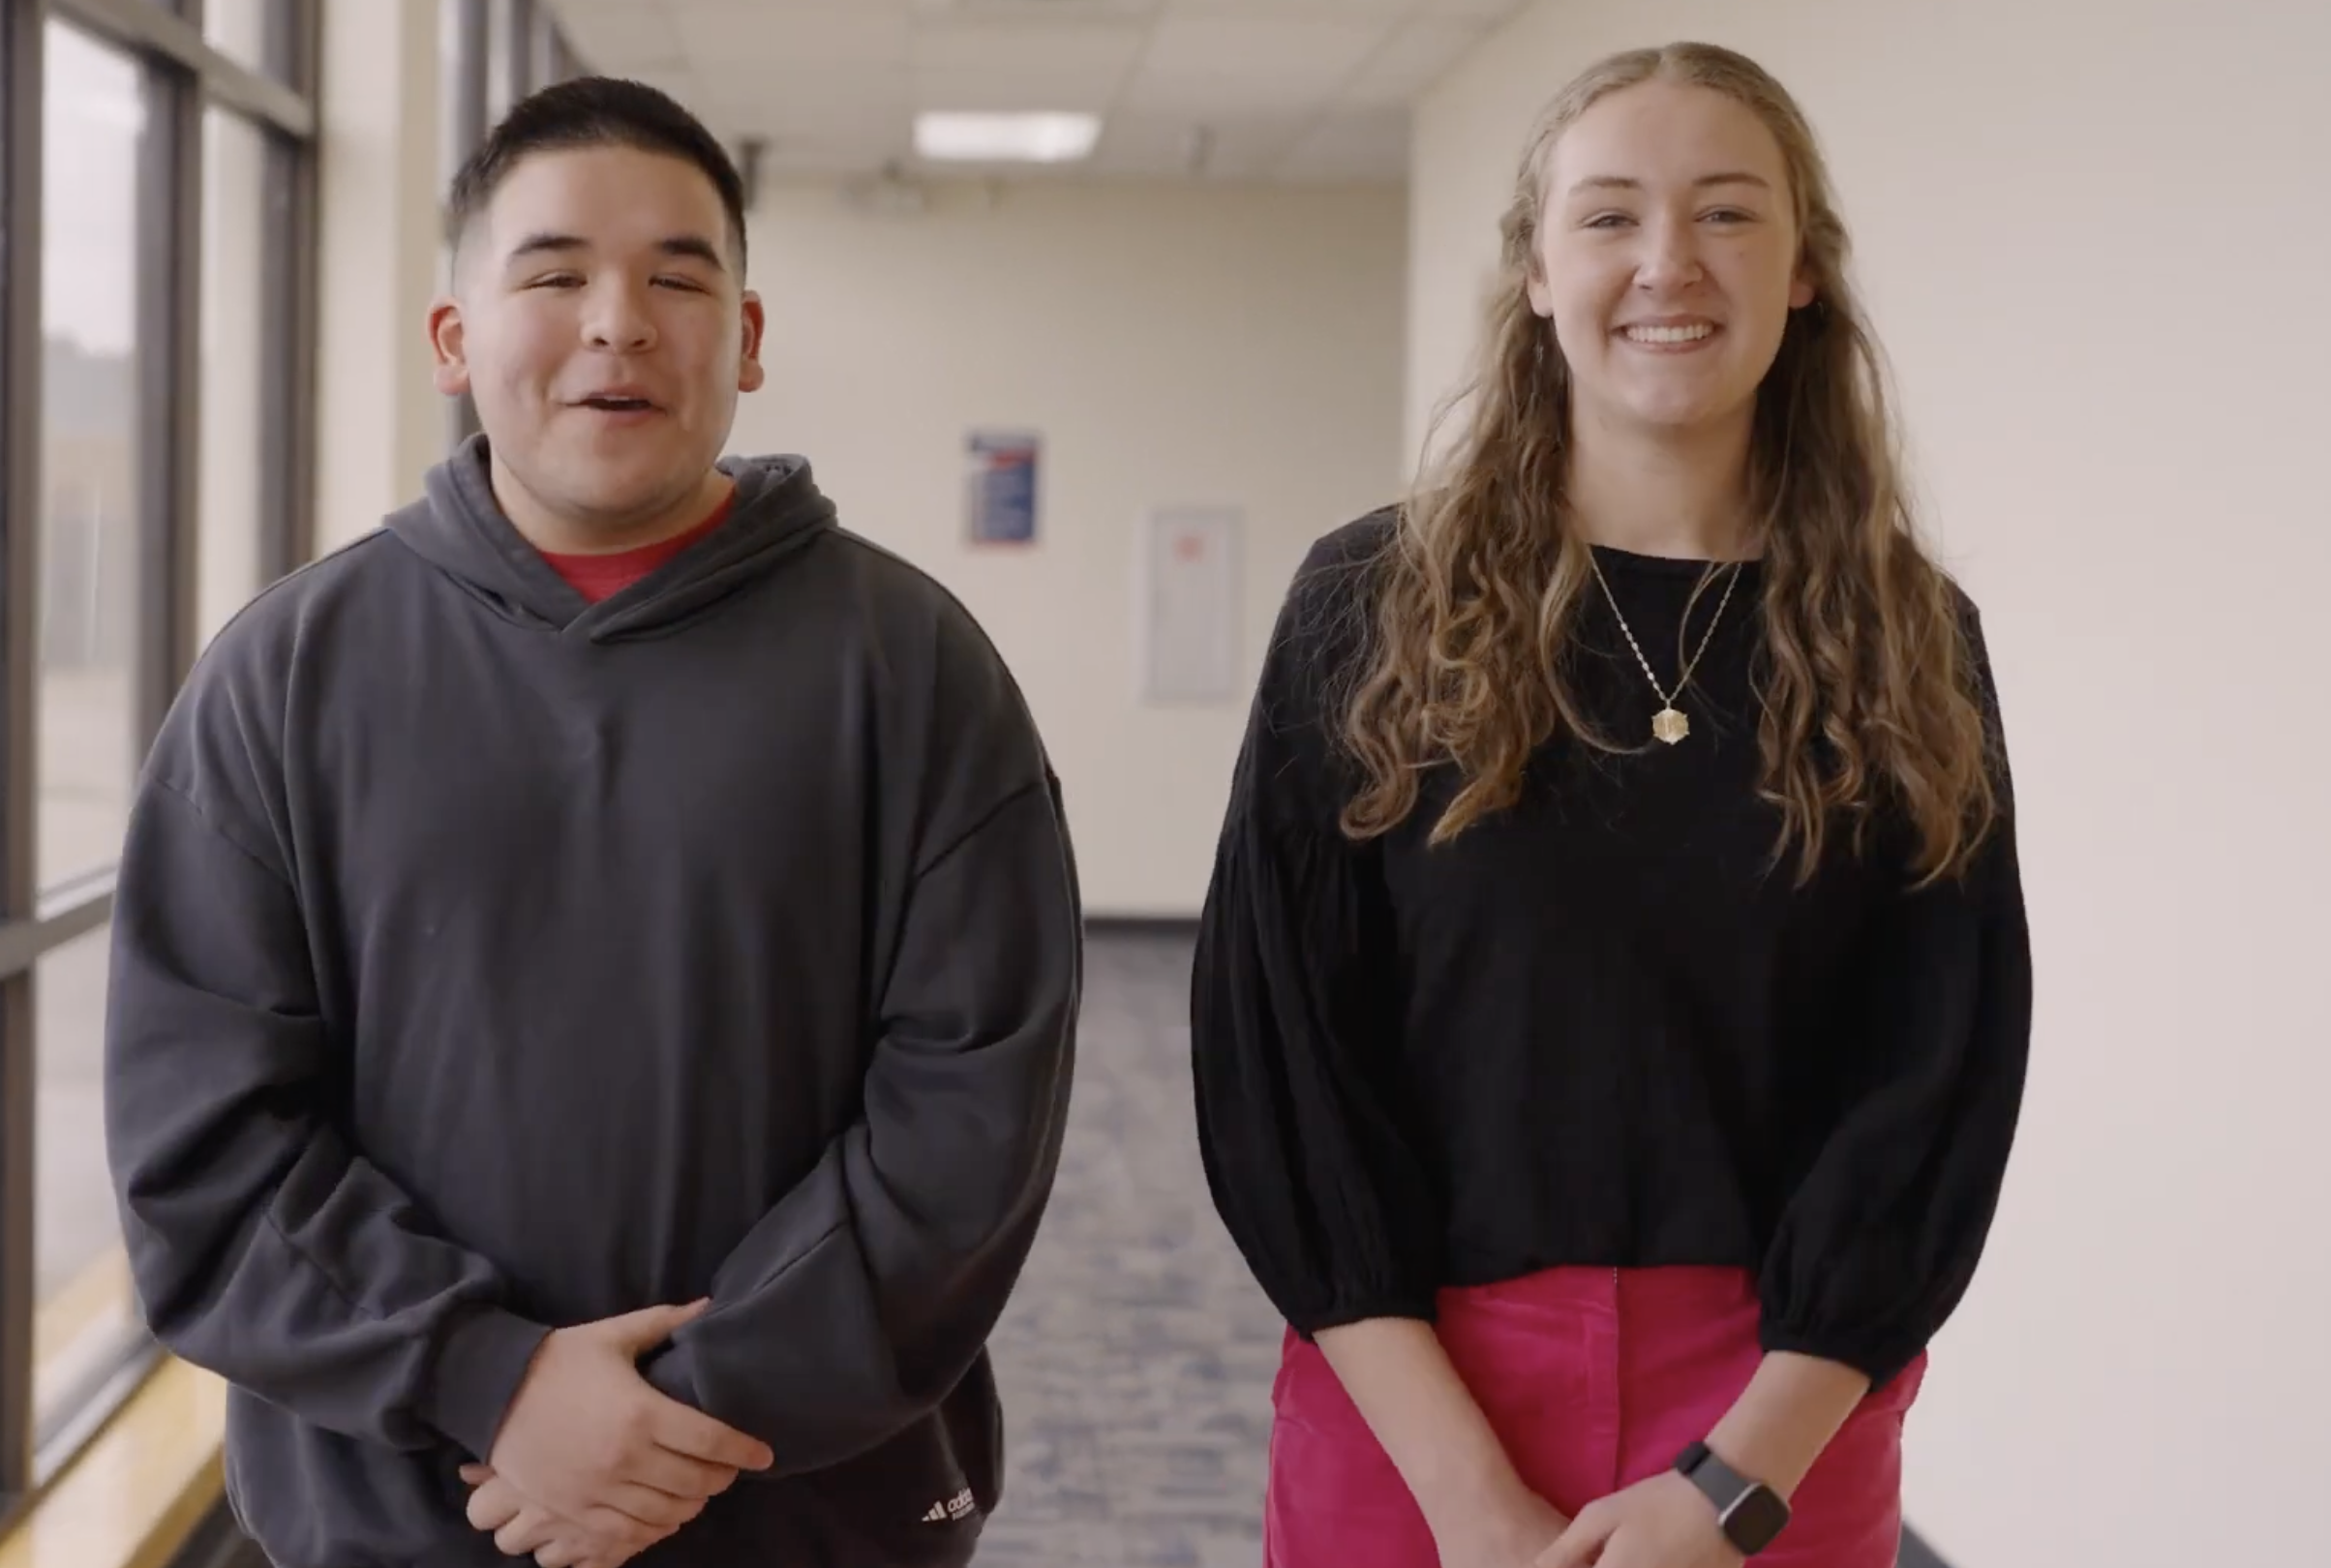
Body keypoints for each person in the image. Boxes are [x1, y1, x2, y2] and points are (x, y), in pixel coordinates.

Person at [103, 76, 1082, 1568]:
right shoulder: (289, 674)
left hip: (807, 1516)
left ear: (746, 343)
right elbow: (205, 1150)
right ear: (456, 341)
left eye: (677, 276)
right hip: (396, 1515)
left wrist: (674, 1419)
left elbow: (968, 1124)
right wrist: (491, 1380)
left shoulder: (912, 668)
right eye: (554, 274)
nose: (617, 320)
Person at [1190, 41, 2030, 1568]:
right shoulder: (1367, 603)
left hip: (1777, 1407)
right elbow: (1280, 1057)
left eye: (1724, 214)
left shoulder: (1910, 633)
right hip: (1418, 1398)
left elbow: (1939, 1074)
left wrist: (1734, 1482)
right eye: (1608, 217)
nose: (1667, 266)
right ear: (1534, 273)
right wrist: (1464, 1494)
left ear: (1802, 275)